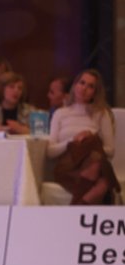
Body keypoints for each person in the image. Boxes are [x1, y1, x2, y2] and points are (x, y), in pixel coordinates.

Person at [47, 69, 119, 205]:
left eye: (90, 86)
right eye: (82, 83)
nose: (84, 88)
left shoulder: (101, 113)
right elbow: (50, 152)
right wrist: (73, 140)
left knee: (101, 177)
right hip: (68, 166)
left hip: (93, 163)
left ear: (95, 92)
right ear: (75, 85)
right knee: (104, 178)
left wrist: (88, 141)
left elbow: (110, 150)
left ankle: (73, 212)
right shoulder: (60, 113)